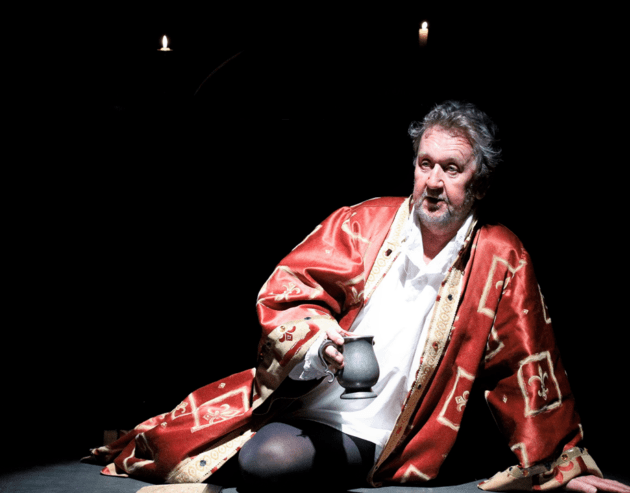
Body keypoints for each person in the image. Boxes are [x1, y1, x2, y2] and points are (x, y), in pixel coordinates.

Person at [84, 101, 628, 493]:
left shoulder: (500, 254)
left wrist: (561, 463)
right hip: (307, 393)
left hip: (387, 427)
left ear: (479, 183)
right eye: (425, 163)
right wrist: (323, 346)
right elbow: (289, 291)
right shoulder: (363, 221)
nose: (433, 181)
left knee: (265, 461)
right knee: (179, 433)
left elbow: (528, 363)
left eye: (451, 169)